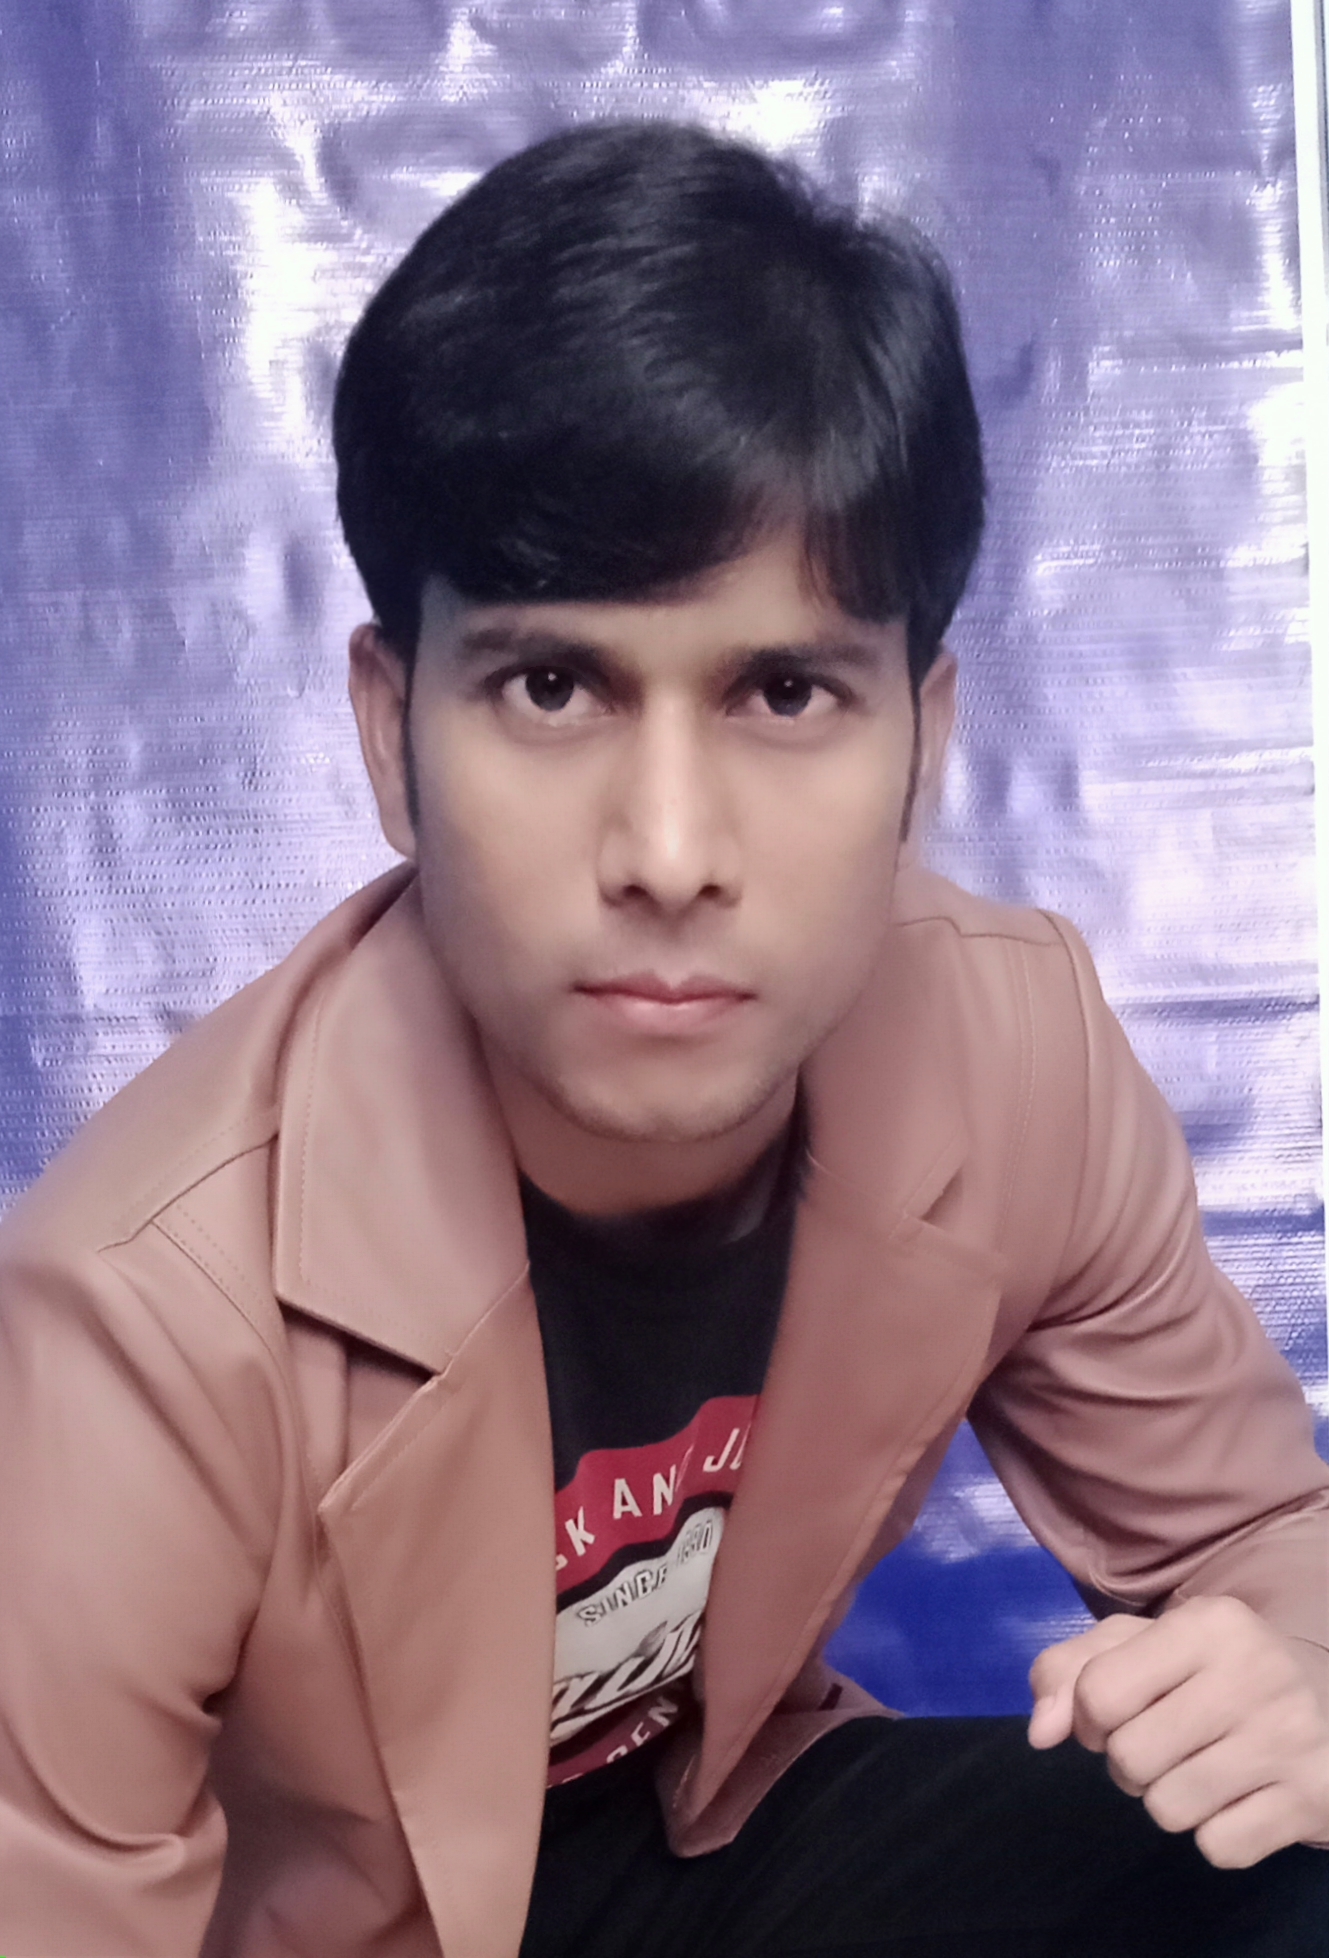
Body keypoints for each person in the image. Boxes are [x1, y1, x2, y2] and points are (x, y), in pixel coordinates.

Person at [0, 119, 1325, 1958]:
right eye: (553, 685)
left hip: (708, 1848)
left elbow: (1261, 1553)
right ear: (390, 733)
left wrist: (1292, 1682)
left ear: (923, 741)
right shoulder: (134, 1323)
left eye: (783, 690)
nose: (673, 853)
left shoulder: (1009, 1046)